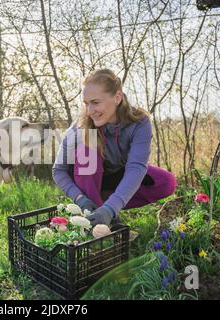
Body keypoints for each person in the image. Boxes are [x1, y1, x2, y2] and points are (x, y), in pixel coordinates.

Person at [52, 69, 177, 227]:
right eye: (86, 104)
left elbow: (136, 168)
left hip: (115, 177)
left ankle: (105, 210)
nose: (90, 111)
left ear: (117, 97)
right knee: (87, 152)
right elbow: (59, 170)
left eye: (95, 103)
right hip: (85, 181)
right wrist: (79, 198)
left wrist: (110, 208)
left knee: (166, 182)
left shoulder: (139, 123)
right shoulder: (80, 126)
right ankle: (96, 221)